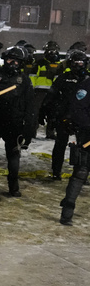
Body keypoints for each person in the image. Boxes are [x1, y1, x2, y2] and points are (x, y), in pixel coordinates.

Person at [0, 46, 36, 197]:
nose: (13, 63)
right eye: (10, 59)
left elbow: (30, 107)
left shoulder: (24, 81)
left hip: (14, 125)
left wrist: (29, 129)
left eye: (17, 61)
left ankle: (13, 187)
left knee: (13, 157)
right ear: (4, 59)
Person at [44, 50, 90, 180]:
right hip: (63, 117)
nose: (79, 66)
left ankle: (81, 173)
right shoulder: (63, 78)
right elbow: (51, 96)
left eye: (81, 63)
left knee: (83, 147)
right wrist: (47, 112)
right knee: (60, 145)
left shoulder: (88, 80)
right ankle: (56, 172)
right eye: (76, 63)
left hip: (83, 119)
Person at [58, 65, 90, 225]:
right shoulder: (86, 85)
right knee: (81, 172)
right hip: (87, 135)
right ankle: (67, 213)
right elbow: (78, 110)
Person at [30, 41, 63, 139]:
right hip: (39, 92)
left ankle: (50, 132)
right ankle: (32, 132)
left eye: (53, 51)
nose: (51, 53)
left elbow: (59, 79)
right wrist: (32, 90)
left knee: (52, 113)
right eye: (49, 50)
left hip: (53, 93)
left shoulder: (59, 65)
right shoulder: (39, 63)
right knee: (35, 113)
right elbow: (33, 77)